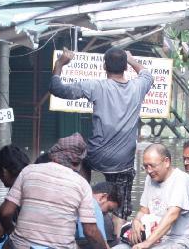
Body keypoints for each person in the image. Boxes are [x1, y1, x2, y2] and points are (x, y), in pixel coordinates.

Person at [49, 47, 153, 219]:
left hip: (95, 155)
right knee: (120, 208)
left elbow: (57, 88)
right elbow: (147, 75)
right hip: (122, 162)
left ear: (104, 67)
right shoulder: (138, 87)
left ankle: (81, 197)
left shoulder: (95, 86)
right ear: (125, 67)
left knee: (80, 156)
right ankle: (118, 229)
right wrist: (132, 59)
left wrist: (60, 64)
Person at [0, 133, 113, 249]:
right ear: (78, 162)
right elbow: (90, 231)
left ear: (53, 155)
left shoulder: (28, 171)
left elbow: (5, 213)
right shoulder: (82, 184)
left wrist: (11, 232)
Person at [123, 143, 189, 249]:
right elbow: (144, 210)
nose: (149, 171)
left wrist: (147, 243)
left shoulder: (181, 180)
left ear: (166, 162)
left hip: (180, 241)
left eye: (152, 166)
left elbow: (172, 215)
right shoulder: (150, 178)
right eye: (145, 166)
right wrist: (136, 221)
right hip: (156, 238)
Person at [77, 182, 124, 249]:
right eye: (109, 209)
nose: (106, 214)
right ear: (103, 197)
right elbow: (94, 237)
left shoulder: (80, 194)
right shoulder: (93, 204)